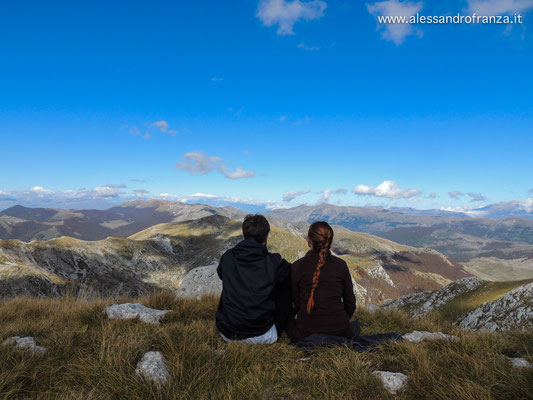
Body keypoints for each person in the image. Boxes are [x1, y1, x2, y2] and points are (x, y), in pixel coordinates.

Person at [215, 214, 292, 344]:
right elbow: (292, 274)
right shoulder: (274, 262)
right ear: (267, 236)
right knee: (285, 286)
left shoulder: (228, 257)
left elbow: (221, 274)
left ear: (243, 235)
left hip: (228, 333)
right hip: (264, 335)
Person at [288, 221, 357, 343]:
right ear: (330, 241)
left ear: (309, 240)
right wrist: (340, 321)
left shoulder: (297, 266)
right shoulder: (341, 265)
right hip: (341, 331)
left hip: (306, 332)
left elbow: (297, 302)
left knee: (288, 320)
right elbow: (350, 303)